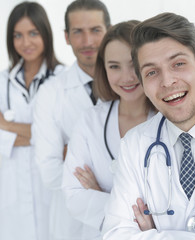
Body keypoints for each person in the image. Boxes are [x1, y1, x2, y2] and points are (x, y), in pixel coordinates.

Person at [102, 12, 195, 240]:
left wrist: (156, 235)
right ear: (143, 85)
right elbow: (115, 234)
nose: (167, 81)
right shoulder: (134, 146)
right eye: (151, 72)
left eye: (178, 64)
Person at [62, 20, 156, 239]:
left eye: (134, 63)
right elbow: (73, 196)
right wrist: (137, 213)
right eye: (114, 66)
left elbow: (176, 205)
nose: (127, 76)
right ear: (103, 69)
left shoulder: (168, 121)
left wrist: (100, 195)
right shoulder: (89, 122)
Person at [32, 0, 111, 239]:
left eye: (95, 30)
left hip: (128, 224)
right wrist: (112, 182)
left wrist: (76, 157)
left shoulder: (131, 84)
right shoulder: (50, 93)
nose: (87, 41)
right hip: (73, 226)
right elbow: (50, 171)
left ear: (109, 31)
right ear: (66, 37)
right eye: (78, 32)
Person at [0, 2, 63, 240]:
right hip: (11, 194)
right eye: (18, 35)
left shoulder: (63, 79)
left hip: (51, 189)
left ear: (45, 33)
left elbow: (64, 137)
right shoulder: (2, 81)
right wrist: (43, 136)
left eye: (33, 33)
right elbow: (49, 136)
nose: (25, 43)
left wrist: (5, 126)